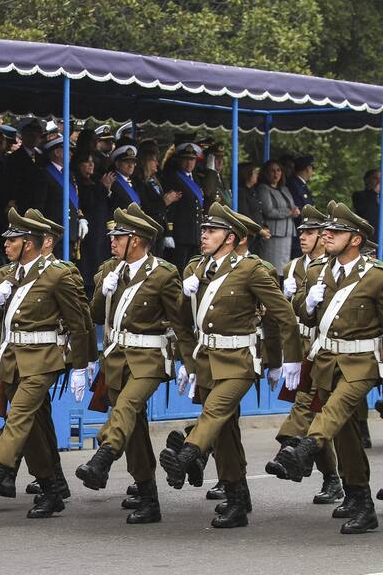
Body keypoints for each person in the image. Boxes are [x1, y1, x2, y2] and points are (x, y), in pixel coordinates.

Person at [160, 202, 301, 528]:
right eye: (204, 229)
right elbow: (182, 321)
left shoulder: (252, 270)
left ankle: (187, 454)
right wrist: (185, 297)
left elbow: (283, 318)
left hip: (239, 361)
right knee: (225, 435)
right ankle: (238, 501)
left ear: (233, 237)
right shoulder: (196, 270)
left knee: (214, 414)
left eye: (212, 231)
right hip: (207, 361)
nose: (204, 235)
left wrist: (285, 360)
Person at [77, 206, 195, 524]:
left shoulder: (163, 274)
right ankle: (147, 493)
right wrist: (104, 291)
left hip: (148, 359)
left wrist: (190, 363)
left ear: (137, 240)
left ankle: (102, 458)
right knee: (135, 428)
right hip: (116, 358)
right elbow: (95, 315)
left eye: (119, 237)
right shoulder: (109, 271)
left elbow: (181, 323)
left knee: (125, 408)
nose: (112, 242)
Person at [0, 207, 88, 519]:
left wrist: (80, 365)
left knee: (20, 415)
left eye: (14, 239)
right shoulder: (9, 276)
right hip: (13, 360)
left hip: (43, 360)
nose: (6, 244)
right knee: (33, 430)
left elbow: (79, 324)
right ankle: (50, 489)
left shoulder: (58, 275)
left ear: (31, 243)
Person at [280, 203, 381, 534]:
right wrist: (306, 303)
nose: (327, 235)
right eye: (327, 231)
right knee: (347, 435)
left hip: (361, 363)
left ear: (355, 239)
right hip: (326, 362)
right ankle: (359, 499)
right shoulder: (319, 273)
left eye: (335, 232)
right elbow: (306, 318)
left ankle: (307, 447)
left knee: (332, 413)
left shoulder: (376, 276)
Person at [264, 205, 344, 506]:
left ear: (325, 236)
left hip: (326, 350)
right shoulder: (293, 268)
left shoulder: (333, 266)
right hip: (302, 350)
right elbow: (283, 316)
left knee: (314, 410)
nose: (304, 237)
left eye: (310, 232)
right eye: (301, 233)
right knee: (313, 412)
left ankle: (291, 450)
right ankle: (328, 476)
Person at [162, 140, 205, 270]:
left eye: (192, 159)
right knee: (180, 269)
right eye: (186, 159)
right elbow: (171, 209)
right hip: (180, 234)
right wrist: (169, 232)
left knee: (193, 270)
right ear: (179, 160)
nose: (189, 163)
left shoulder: (196, 178)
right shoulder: (173, 179)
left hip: (195, 233)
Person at [132, 146, 181, 258]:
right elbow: (145, 207)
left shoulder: (155, 180)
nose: (157, 163)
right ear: (146, 162)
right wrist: (165, 202)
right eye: (154, 160)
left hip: (160, 228)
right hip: (149, 228)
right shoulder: (140, 182)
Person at [256, 159, 300, 276]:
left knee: (284, 268)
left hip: (287, 233)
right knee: (272, 268)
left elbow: (291, 206)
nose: (276, 174)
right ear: (265, 173)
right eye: (272, 171)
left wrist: (295, 210)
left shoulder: (284, 189)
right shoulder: (263, 189)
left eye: (278, 170)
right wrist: (289, 212)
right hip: (273, 234)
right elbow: (268, 211)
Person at [76, 152, 110, 291]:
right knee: (88, 267)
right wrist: (103, 187)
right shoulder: (78, 182)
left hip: (100, 230)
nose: (91, 164)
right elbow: (88, 202)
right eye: (86, 162)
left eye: (92, 161)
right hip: (87, 231)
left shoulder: (95, 180)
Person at [236, 162, 270, 256]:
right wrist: (259, 230)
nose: (257, 175)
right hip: (249, 235)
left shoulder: (253, 190)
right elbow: (245, 214)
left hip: (257, 235)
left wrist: (264, 226)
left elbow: (258, 211)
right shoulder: (241, 192)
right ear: (247, 174)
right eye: (254, 172)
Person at [352, 169, 380, 240]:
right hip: (368, 237)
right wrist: (375, 192)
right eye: (375, 178)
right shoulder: (359, 195)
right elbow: (366, 213)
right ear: (367, 180)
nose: (379, 181)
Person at [200, 142, 231, 207]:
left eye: (221, 158)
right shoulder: (206, 177)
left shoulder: (224, 180)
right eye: (217, 158)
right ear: (210, 160)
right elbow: (208, 193)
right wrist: (210, 169)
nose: (220, 162)